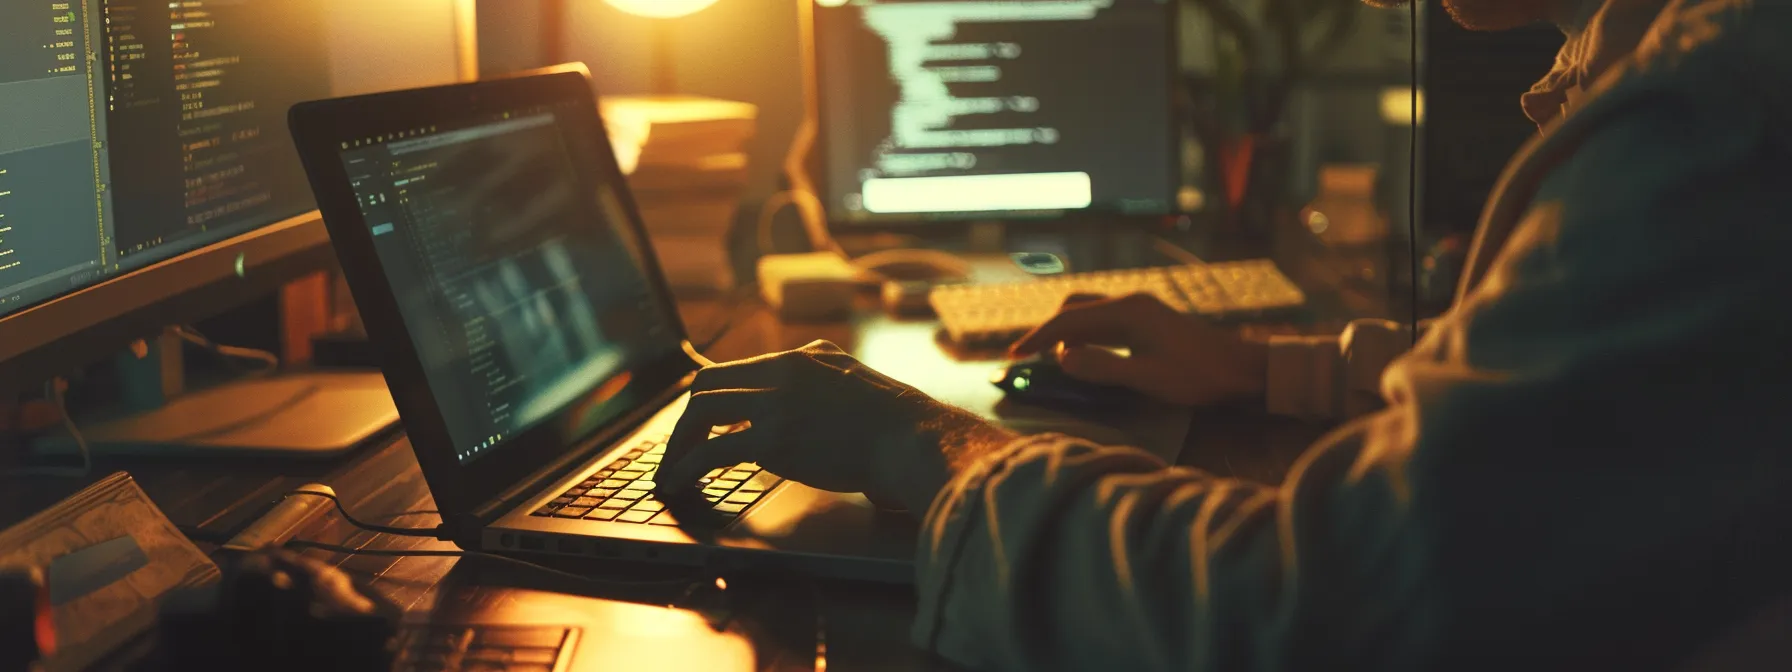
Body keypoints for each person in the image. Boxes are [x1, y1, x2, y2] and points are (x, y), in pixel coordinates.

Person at [655, 0, 1792, 667]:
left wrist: (925, 449)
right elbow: (1583, 411)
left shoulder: (1713, 128)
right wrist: (1268, 366)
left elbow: (1323, 609)